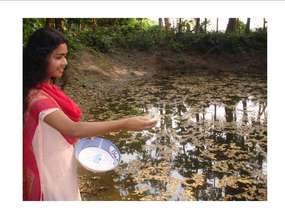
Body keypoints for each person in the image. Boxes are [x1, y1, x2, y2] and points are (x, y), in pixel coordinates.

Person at [23, 27, 157, 201]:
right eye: (58, 57)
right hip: (50, 173)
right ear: (39, 58)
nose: (65, 62)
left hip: (63, 164)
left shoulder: (47, 89)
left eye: (65, 56)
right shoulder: (37, 98)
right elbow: (72, 129)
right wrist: (125, 123)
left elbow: (60, 130)